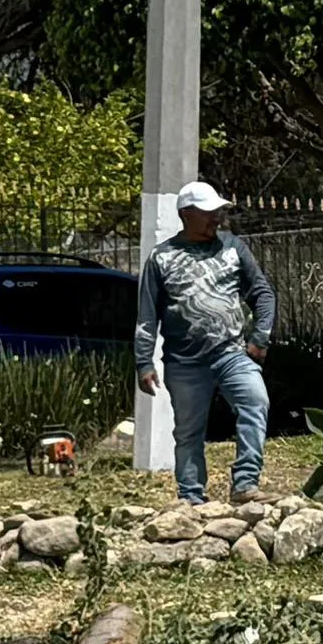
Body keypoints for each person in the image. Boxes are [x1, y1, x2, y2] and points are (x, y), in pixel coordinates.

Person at [133, 180, 277, 505]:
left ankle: (245, 483)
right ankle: (191, 498)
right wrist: (144, 362)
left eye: (219, 212)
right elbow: (146, 316)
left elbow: (262, 293)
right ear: (186, 214)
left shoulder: (232, 247)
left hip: (232, 353)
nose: (217, 219)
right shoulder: (161, 258)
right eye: (209, 213)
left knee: (255, 402)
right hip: (184, 363)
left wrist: (261, 337)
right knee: (188, 433)